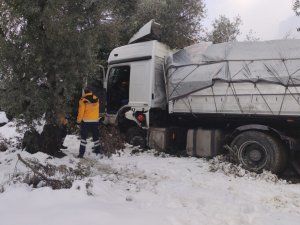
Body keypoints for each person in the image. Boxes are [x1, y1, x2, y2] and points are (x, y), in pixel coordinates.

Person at [76, 88, 101, 158]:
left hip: (86, 121)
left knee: (83, 138)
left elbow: (81, 112)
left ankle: (81, 154)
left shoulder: (82, 100)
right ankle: (98, 151)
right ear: (91, 91)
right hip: (95, 121)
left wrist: (78, 122)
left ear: (84, 92)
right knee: (96, 137)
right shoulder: (96, 98)